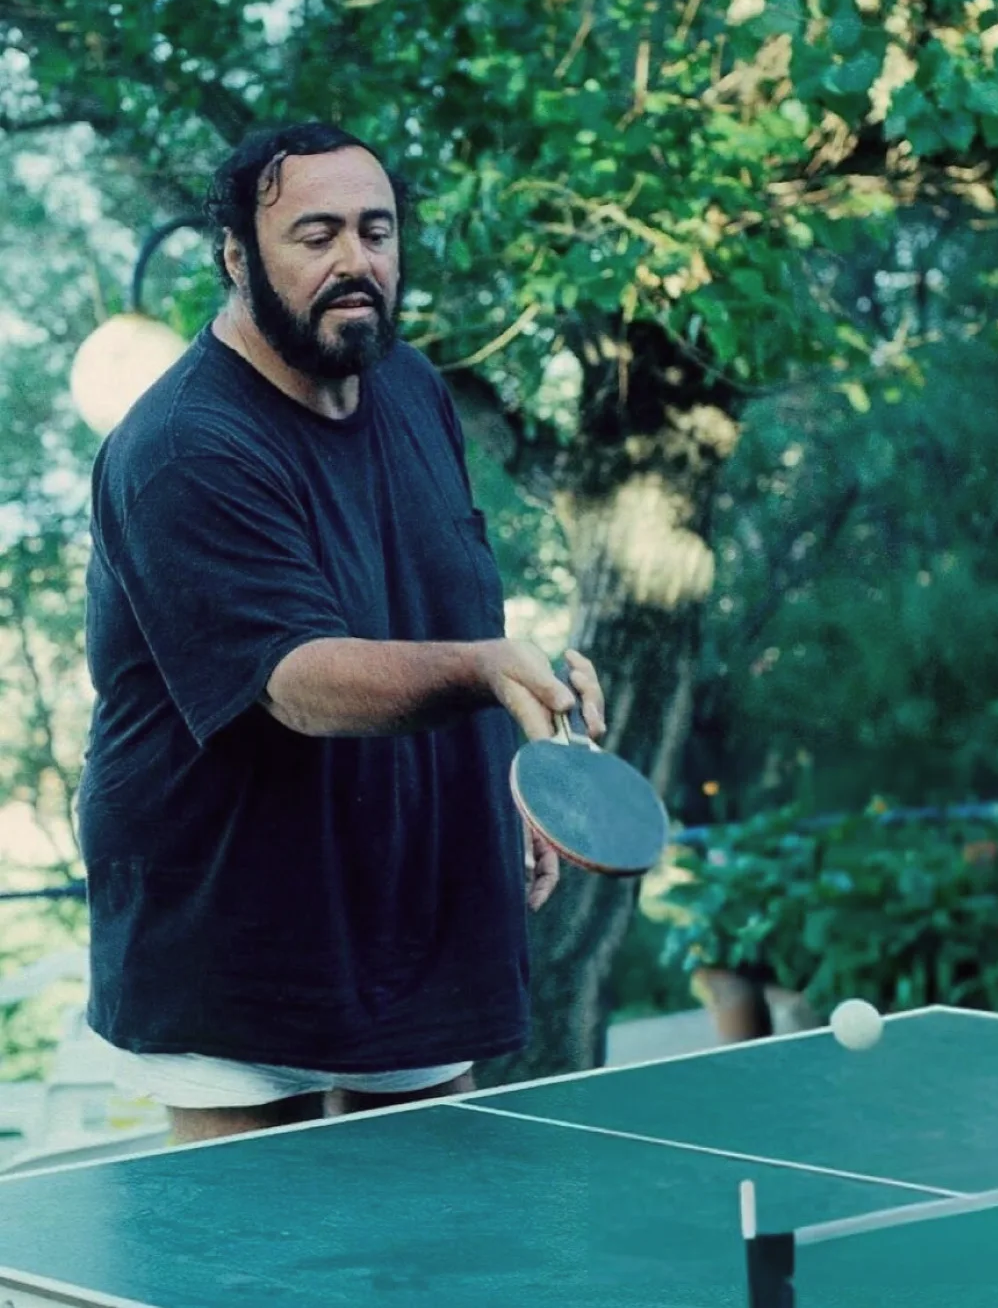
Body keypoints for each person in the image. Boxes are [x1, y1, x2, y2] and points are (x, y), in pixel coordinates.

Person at [78, 121, 606, 1145]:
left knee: (427, 1232)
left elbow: (451, 612)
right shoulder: (183, 447)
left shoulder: (413, 389)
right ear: (238, 259)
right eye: (315, 235)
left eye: (376, 230)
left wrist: (512, 767)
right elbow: (296, 678)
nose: (355, 260)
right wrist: (490, 671)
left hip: (413, 905)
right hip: (231, 938)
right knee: (249, 1243)